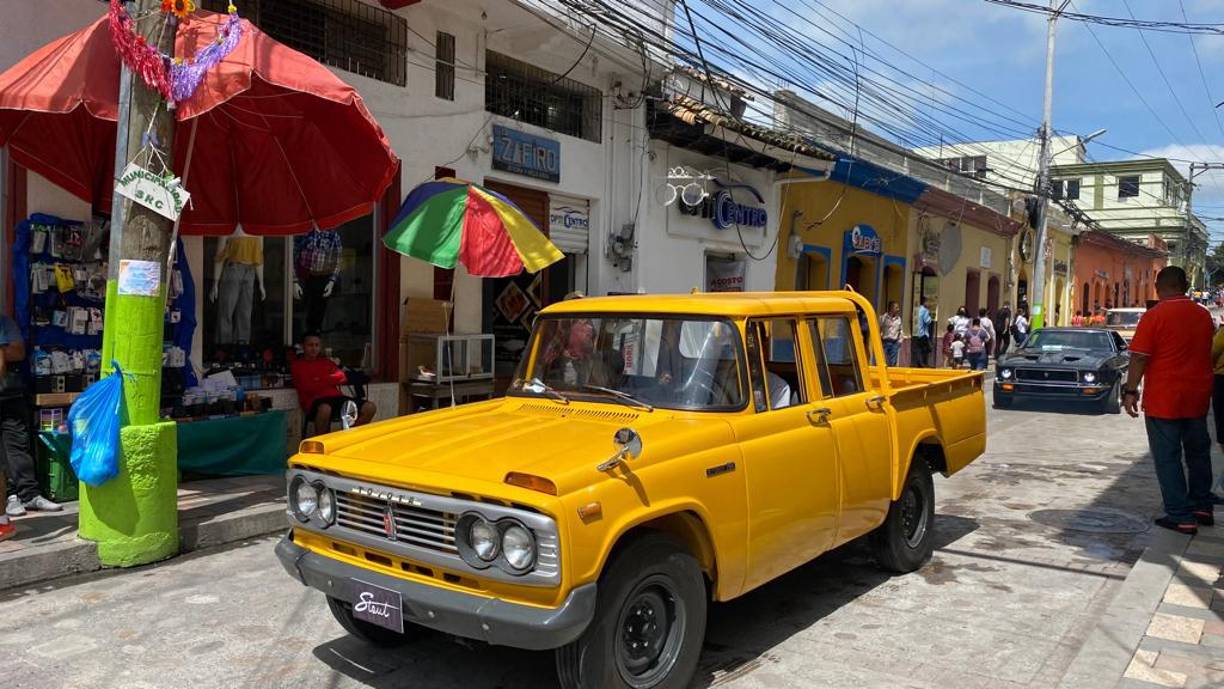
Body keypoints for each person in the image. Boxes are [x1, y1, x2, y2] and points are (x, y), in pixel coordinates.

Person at [1124, 266, 1217, 535]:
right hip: (1198, 396)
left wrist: (1131, 391)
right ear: (1186, 285)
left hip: (1165, 397)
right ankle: (1202, 505)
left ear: (1158, 286)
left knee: (1168, 456)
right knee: (1198, 452)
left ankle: (1180, 514)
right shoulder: (1203, 316)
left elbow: (1139, 356)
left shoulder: (1154, 317)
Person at [2, 313, 61, 519]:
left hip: (10, 393)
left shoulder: (5, 323)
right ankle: (10, 497)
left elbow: (18, 352)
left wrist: (4, 351)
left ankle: (29, 494)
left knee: (18, 444)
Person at [291, 332, 376, 437]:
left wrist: (319, 379)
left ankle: (348, 437)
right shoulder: (297, 365)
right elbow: (309, 387)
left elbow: (342, 376)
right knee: (325, 409)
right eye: (310, 345)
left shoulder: (326, 362)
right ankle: (323, 445)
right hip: (313, 401)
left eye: (317, 345)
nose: (314, 348)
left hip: (336, 398)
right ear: (303, 346)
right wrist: (330, 378)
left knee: (370, 407)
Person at [879, 301, 904, 366]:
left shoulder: (899, 319)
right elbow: (879, 328)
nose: (898, 309)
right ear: (891, 308)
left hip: (894, 343)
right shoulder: (883, 318)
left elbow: (901, 330)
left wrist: (900, 341)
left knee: (893, 362)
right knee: (884, 361)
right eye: (896, 307)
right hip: (885, 342)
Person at [913, 296, 934, 368]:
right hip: (923, 333)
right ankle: (924, 363)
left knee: (918, 348)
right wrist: (930, 317)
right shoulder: (925, 310)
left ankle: (919, 363)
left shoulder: (916, 309)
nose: (929, 304)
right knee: (925, 349)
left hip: (916, 332)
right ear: (924, 302)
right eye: (928, 302)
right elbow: (927, 321)